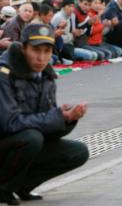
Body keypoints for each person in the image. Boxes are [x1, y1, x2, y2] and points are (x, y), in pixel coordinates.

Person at [0, 24, 89, 205]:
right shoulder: (4, 74)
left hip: (21, 143)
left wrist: (68, 118)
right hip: (6, 142)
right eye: (36, 50)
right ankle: (3, 187)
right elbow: (9, 123)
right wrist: (58, 117)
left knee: (78, 152)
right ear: (23, 48)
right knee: (32, 138)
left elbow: (47, 129)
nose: (41, 58)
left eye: (47, 51)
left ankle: (22, 186)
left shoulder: (46, 76)